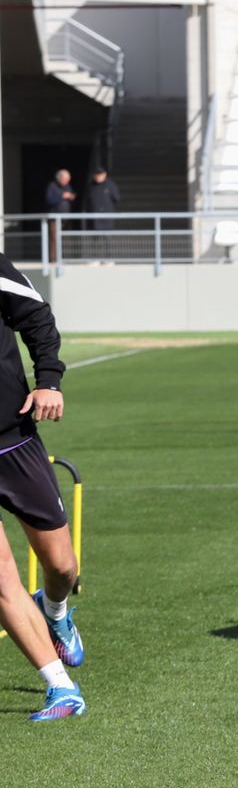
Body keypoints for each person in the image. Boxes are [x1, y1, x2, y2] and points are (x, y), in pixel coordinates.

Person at [0, 252, 85, 720]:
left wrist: (49, 379)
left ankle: (55, 611)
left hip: (12, 440)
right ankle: (61, 687)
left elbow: (35, 315)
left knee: (62, 566)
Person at [43, 170, 75, 263]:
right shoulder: (52, 186)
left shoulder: (68, 186)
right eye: (65, 179)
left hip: (66, 217)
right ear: (59, 178)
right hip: (55, 217)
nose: (67, 181)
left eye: (68, 180)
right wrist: (62, 196)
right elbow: (49, 200)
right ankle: (54, 259)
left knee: (66, 238)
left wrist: (71, 197)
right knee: (54, 238)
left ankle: (66, 258)